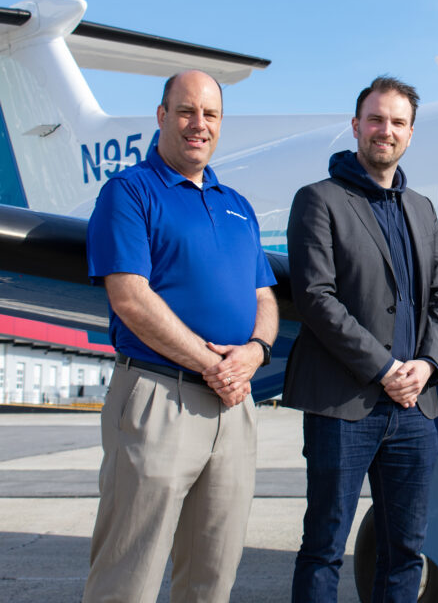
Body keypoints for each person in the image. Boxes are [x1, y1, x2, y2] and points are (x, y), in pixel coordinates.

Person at [83, 70, 279, 603]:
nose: (199, 124)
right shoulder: (128, 191)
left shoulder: (237, 204)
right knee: (130, 571)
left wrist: (256, 352)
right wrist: (211, 363)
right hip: (158, 395)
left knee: (212, 575)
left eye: (210, 114)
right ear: (162, 116)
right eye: (187, 111)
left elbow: (265, 296)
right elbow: (129, 296)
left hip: (234, 406)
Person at [284, 76, 438, 602]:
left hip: (414, 409)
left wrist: (426, 365)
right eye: (376, 120)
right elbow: (315, 298)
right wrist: (385, 369)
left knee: (405, 550)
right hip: (345, 403)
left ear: (411, 133)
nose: (386, 131)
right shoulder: (318, 200)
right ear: (356, 126)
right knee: (324, 546)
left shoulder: (423, 209)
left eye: (398, 122)